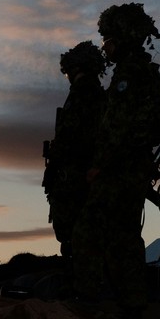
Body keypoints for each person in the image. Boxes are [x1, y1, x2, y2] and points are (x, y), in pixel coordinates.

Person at [72, 3, 160, 319]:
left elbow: (118, 126)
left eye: (109, 39)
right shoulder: (147, 72)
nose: (106, 46)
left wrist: (99, 165)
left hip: (119, 169)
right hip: (133, 167)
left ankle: (85, 301)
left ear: (123, 39)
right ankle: (133, 306)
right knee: (125, 236)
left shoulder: (129, 74)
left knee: (88, 231)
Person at [43, 41, 107, 259]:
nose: (68, 76)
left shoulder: (83, 93)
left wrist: (55, 164)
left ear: (76, 68)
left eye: (68, 71)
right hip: (85, 171)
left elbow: (71, 135)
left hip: (77, 173)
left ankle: (78, 282)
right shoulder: (97, 93)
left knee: (72, 231)